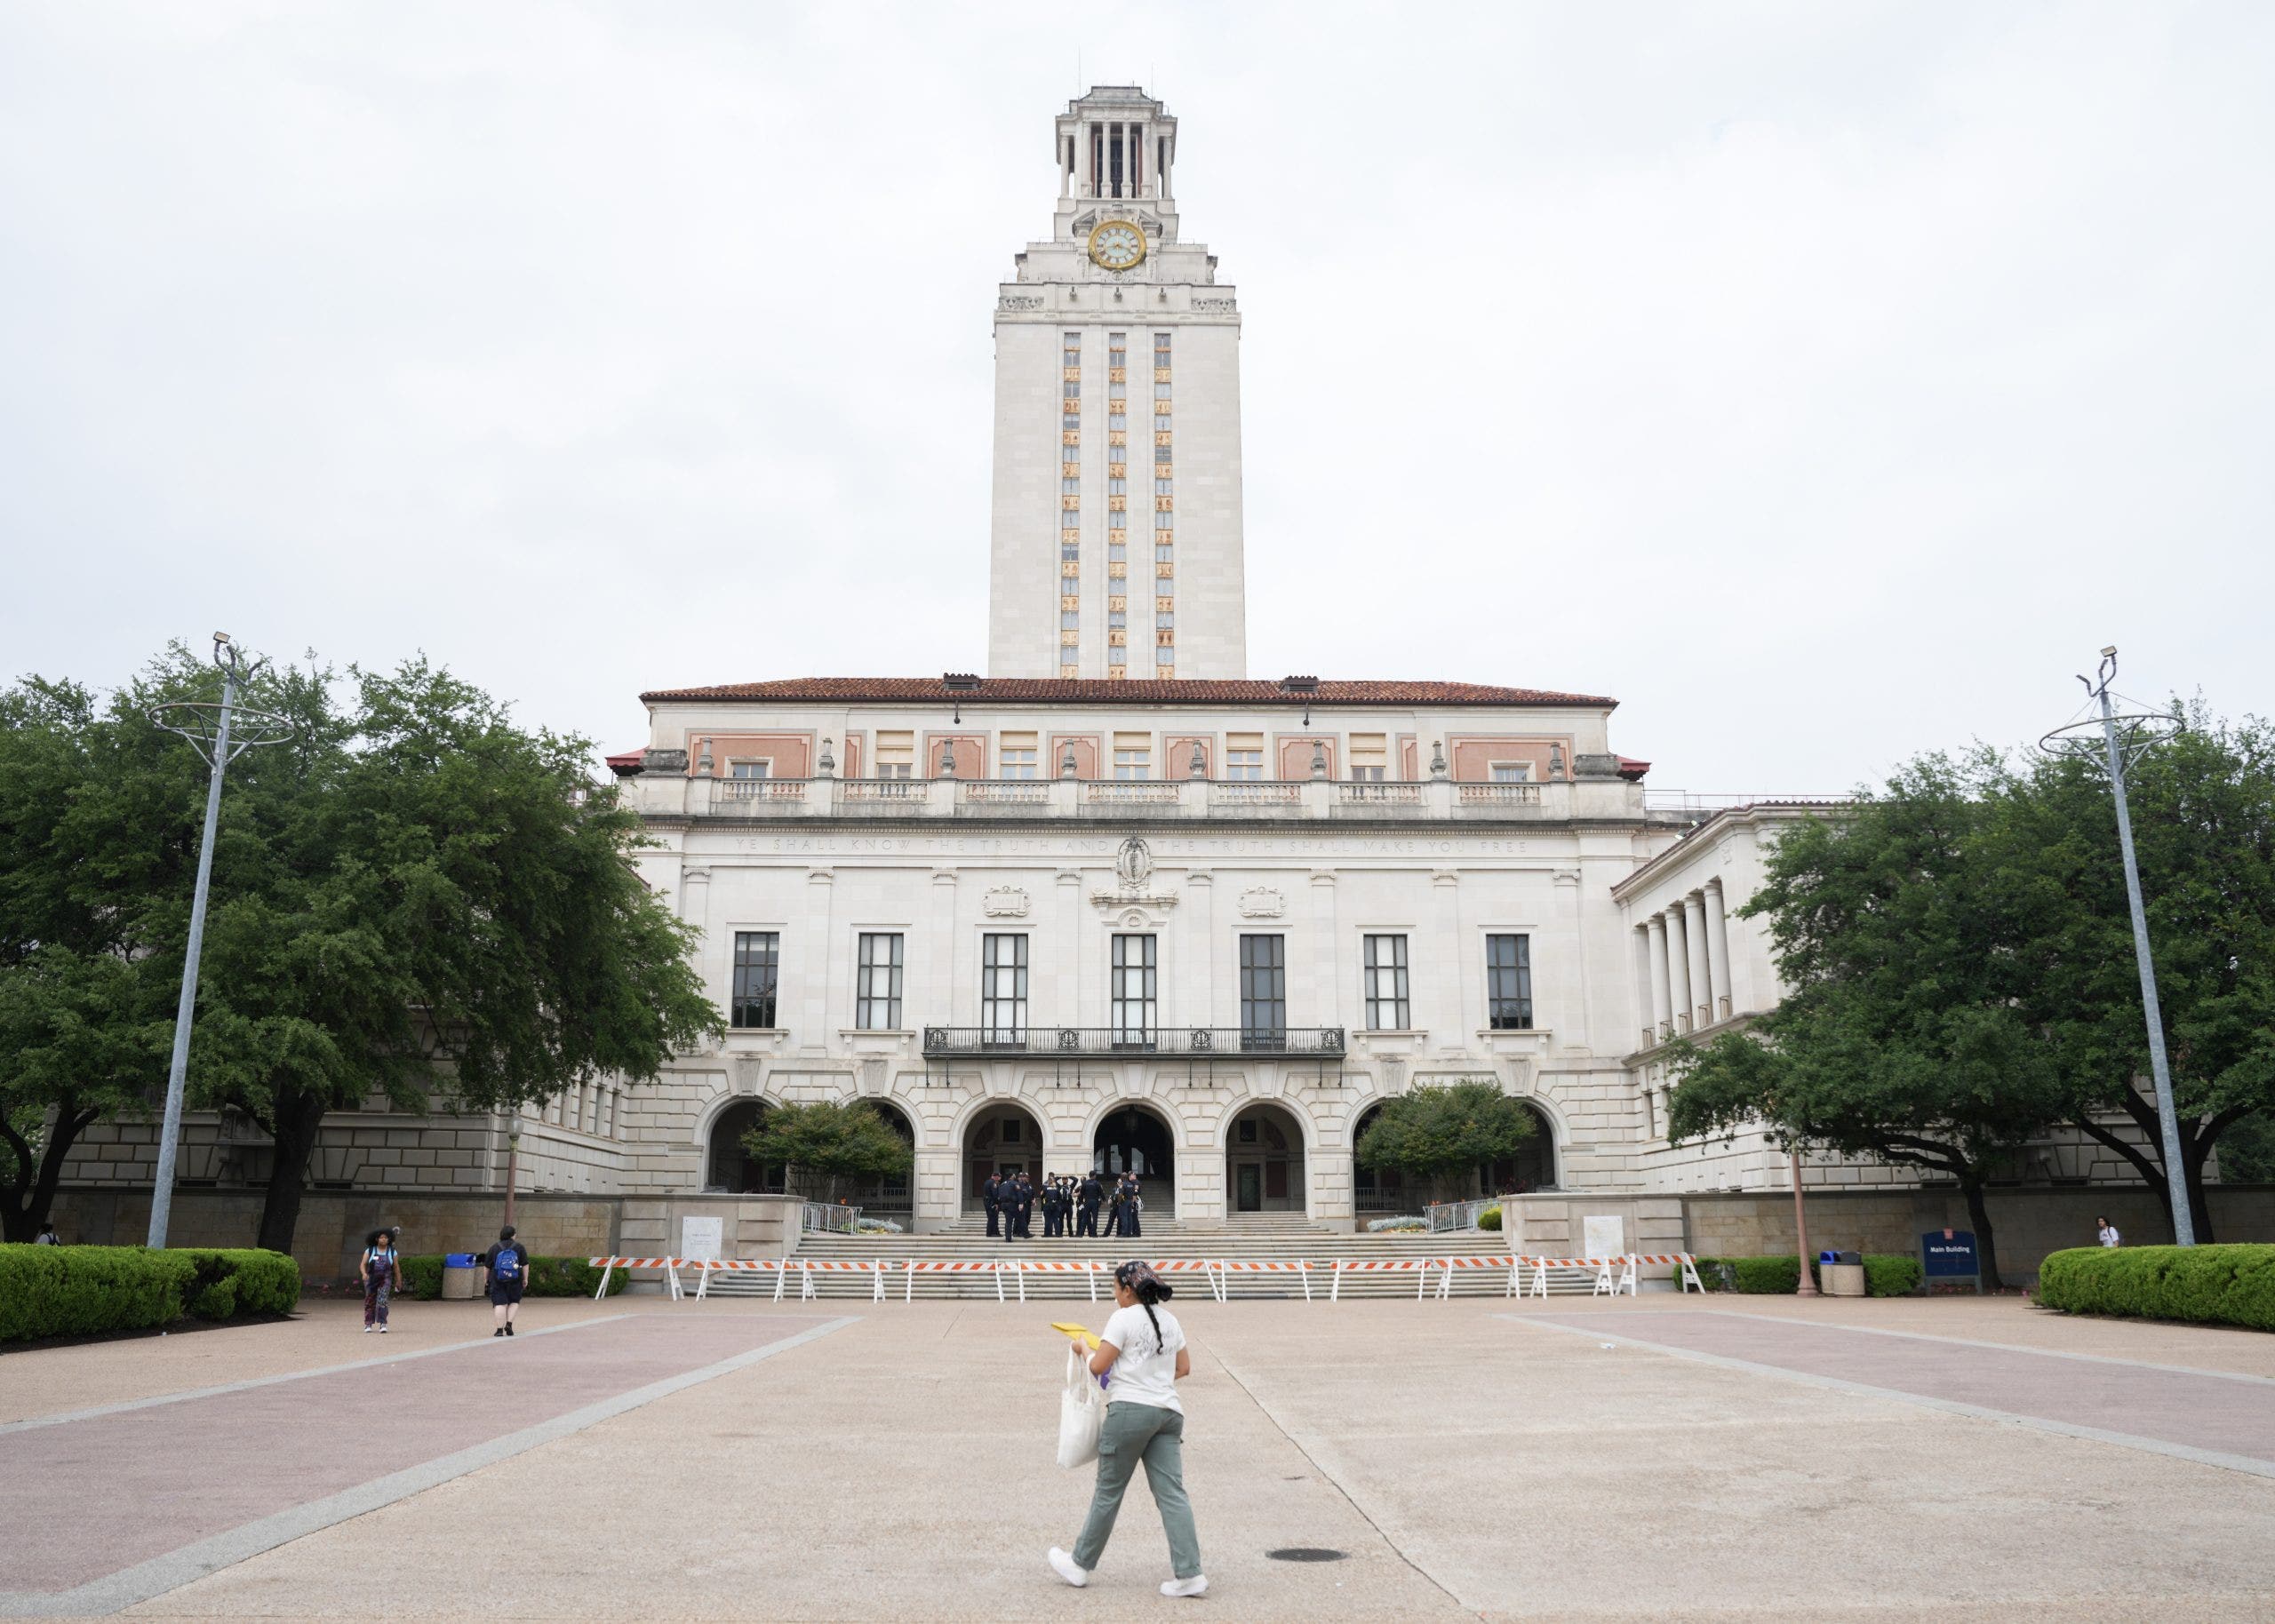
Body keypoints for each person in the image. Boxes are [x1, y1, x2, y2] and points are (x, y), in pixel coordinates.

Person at [1048, 1261, 1207, 1598]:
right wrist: (1152, 1379)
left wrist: (1082, 1347)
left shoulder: (1122, 1318)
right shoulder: (1170, 1320)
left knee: (1108, 1491)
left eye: (1115, 1288)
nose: (1115, 1294)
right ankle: (1190, 1572)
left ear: (1128, 1289)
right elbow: (1184, 1367)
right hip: (1168, 1413)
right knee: (1172, 1495)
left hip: (1129, 1413)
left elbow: (1098, 1366)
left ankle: (1080, 1564)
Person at [484, 1224, 530, 1337]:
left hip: (497, 1279)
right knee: (514, 1301)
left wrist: (486, 1279)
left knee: (500, 1303)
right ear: (513, 1235)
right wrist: (525, 1279)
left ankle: (499, 1330)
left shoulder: (494, 1247)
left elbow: (487, 1266)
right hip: (515, 1279)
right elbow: (525, 1265)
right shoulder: (519, 1247)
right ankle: (509, 1324)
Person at [359, 1227, 400, 1333]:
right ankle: (368, 1323)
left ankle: (383, 1323)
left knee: (383, 1300)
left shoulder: (392, 1252)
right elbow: (363, 1264)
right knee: (370, 1300)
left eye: (386, 1238)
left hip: (385, 1279)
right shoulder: (370, 1250)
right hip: (371, 1278)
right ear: (377, 1239)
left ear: (389, 1239)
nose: (383, 1239)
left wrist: (399, 1280)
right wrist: (364, 1273)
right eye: (381, 1238)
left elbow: (396, 1267)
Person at [1076, 1174, 1103, 1239]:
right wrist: (1104, 1200)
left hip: (1087, 1202)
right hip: (1094, 1202)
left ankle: (1081, 1234)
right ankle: (1094, 1234)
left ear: (1089, 1175)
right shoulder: (1097, 1183)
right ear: (1094, 1176)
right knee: (1095, 1218)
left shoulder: (1085, 1183)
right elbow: (1101, 1192)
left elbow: (1081, 1193)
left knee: (1084, 1218)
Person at [983, 1173, 1002, 1239]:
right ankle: (990, 1233)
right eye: (999, 1176)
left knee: (992, 1218)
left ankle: (995, 1232)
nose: (1000, 1178)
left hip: (987, 1202)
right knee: (992, 1218)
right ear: (995, 1177)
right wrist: (996, 1203)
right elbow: (995, 1194)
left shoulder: (987, 1182)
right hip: (992, 1203)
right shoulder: (993, 1183)